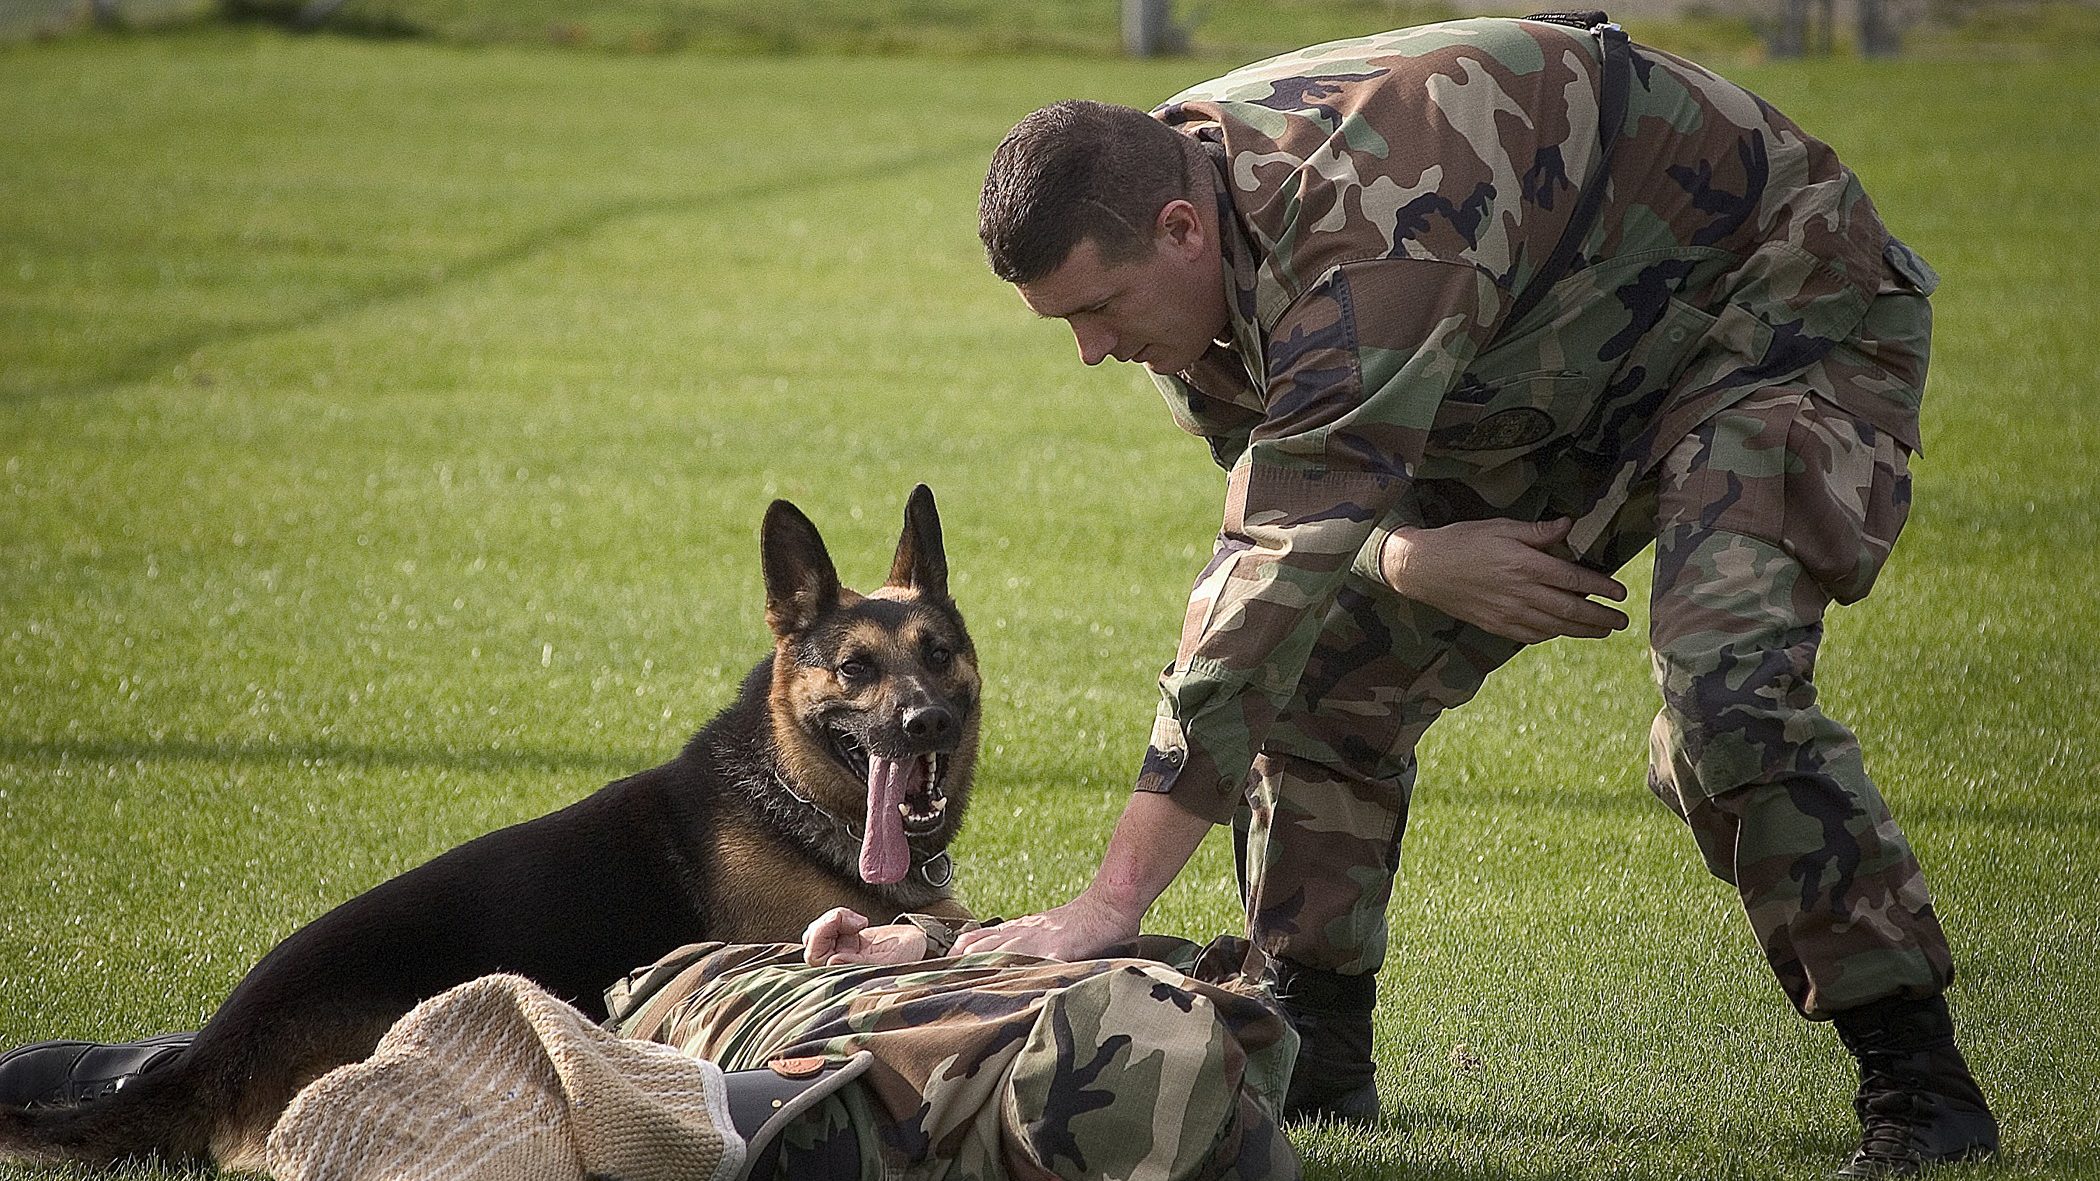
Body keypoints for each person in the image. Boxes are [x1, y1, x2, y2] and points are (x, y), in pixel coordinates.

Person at [958, 13, 1996, 1176]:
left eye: (1096, 310)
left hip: (1776, 315)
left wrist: (1109, 901)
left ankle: (1920, 1085)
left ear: (1182, 227)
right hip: (1545, 368)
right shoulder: (1185, 271)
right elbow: (1298, 497)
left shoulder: (1365, 216)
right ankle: (1316, 1054)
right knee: (1321, 687)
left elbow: (1264, 573)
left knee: (1727, 695)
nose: (1091, 352)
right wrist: (1408, 554)